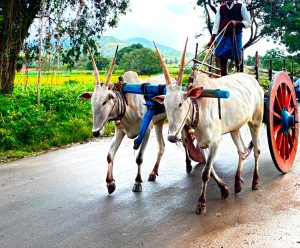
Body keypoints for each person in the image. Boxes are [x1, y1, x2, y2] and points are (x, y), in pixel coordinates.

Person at [207, 0, 251, 76]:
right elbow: (216, 25)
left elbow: (248, 23)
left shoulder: (241, 7)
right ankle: (224, 77)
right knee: (222, 57)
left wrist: (237, 22)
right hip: (223, 35)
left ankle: (239, 75)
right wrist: (212, 39)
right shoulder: (221, 8)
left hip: (236, 35)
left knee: (237, 57)